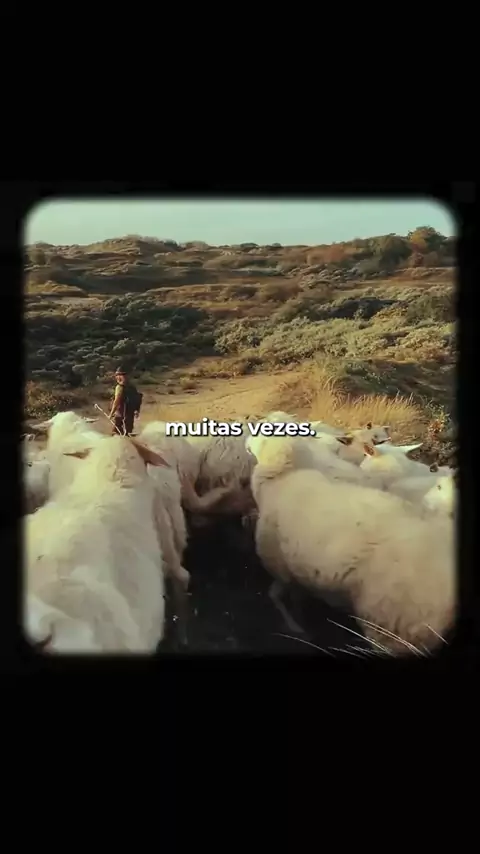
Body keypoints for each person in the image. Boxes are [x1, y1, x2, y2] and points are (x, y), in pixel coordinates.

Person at [108, 367, 142, 436]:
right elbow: (138, 399)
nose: (118, 377)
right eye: (117, 375)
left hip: (120, 416)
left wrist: (111, 414)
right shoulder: (132, 387)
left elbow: (116, 402)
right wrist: (137, 410)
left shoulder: (119, 387)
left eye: (120, 375)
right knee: (127, 433)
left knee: (115, 433)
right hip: (130, 417)